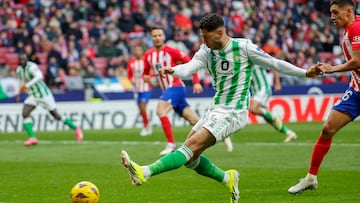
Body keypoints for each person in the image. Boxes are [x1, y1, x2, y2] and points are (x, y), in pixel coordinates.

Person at [120, 13, 323, 203]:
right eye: (202, 37)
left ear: (219, 33)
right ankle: (228, 178)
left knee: (189, 148)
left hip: (234, 111)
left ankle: (143, 172)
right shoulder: (206, 50)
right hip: (216, 108)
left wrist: (306, 73)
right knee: (191, 158)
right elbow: (190, 67)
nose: (204, 41)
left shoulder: (243, 47)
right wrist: (173, 70)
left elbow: (274, 63)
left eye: (206, 37)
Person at [288, 0, 360, 194]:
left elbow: (358, 61)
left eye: (336, 13)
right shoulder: (349, 29)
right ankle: (311, 178)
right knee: (327, 128)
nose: (332, 17)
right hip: (356, 91)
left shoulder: (356, 28)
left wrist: (332, 68)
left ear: (349, 11)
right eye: (331, 12)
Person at [142, 26, 203, 155]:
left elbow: (191, 64)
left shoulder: (172, 51)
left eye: (160, 35)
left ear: (164, 37)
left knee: (160, 110)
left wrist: (196, 82)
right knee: (194, 121)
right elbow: (145, 73)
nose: (157, 38)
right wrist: (146, 77)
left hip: (176, 87)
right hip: (169, 90)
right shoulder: (148, 55)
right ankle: (218, 132)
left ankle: (171, 144)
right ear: (151, 38)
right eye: (154, 36)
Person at [223, 66, 298, 152]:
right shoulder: (243, 62)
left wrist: (277, 82)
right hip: (256, 91)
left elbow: (273, 65)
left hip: (263, 89)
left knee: (253, 108)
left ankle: (274, 117)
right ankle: (289, 133)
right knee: (268, 119)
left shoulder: (256, 56)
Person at [15, 54, 83, 146]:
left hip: (44, 94)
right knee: (25, 113)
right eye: (20, 59)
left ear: (26, 60)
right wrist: (17, 93)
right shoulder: (19, 70)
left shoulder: (32, 67)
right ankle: (32, 138)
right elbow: (19, 81)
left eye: (23, 59)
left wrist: (28, 85)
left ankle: (76, 128)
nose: (22, 61)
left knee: (56, 115)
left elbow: (39, 77)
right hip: (33, 95)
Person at [127, 46, 152, 136]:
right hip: (137, 90)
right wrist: (131, 80)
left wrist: (150, 77)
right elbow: (129, 75)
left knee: (143, 107)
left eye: (139, 50)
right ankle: (147, 124)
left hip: (146, 88)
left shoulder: (146, 61)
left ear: (142, 52)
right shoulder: (131, 62)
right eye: (136, 50)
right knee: (141, 110)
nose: (137, 52)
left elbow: (151, 72)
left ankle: (145, 126)